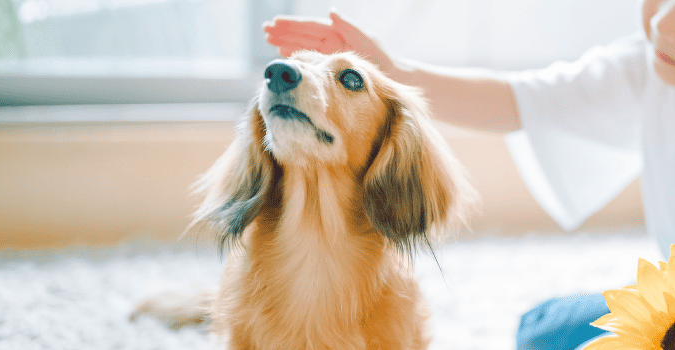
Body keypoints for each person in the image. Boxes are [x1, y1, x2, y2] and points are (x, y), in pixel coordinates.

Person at [262, 0, 675, 349]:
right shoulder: (651, 61)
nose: (662, 23)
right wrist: (391, 71)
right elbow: (520, 99)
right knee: (539, 331)